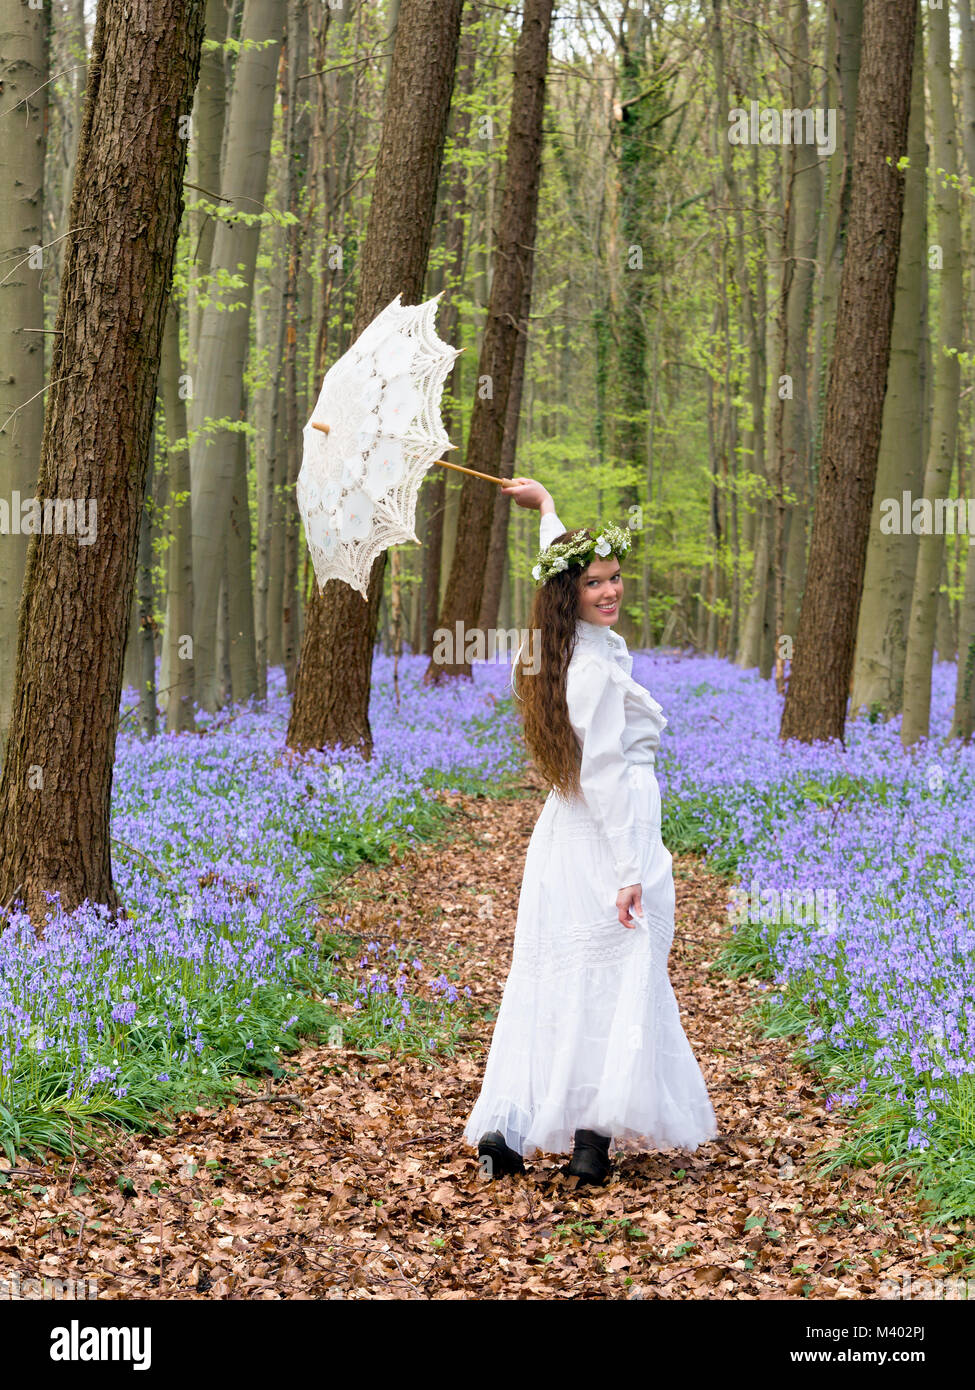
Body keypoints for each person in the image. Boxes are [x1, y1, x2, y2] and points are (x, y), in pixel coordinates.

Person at [463, 477, 718, 1186]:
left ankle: (506, 1132)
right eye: (595, 583)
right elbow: (603, 774)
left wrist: (545, 511)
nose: (609, 591)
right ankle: (588, 1145)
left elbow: (556, 561)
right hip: (607, 830)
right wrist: (631, 867)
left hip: (564, 833)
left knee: (557, 980)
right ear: (568, 595)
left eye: (613, 577)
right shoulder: (593, 673)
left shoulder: (565, 643)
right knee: (615, 976)